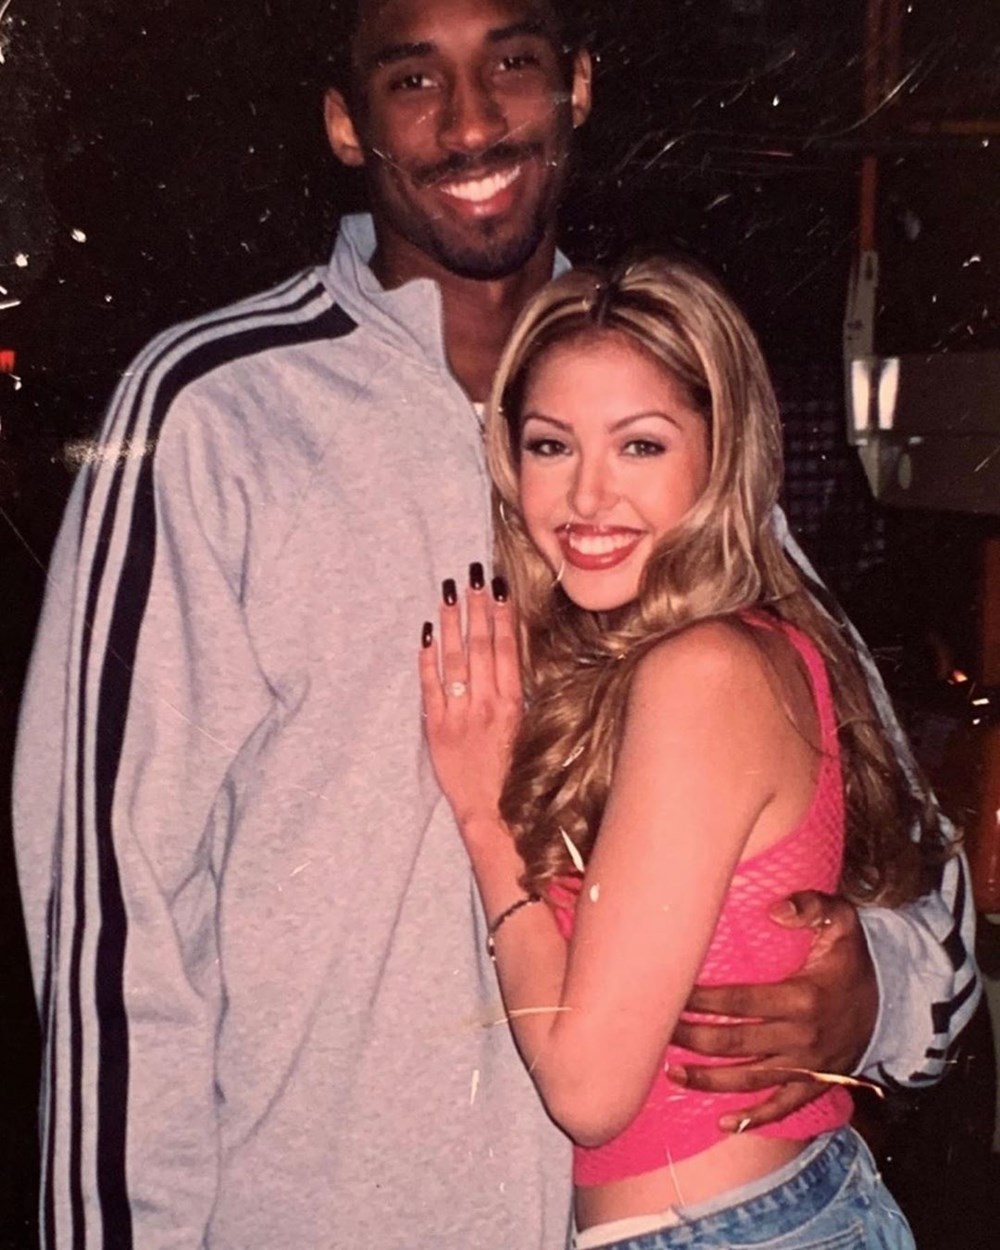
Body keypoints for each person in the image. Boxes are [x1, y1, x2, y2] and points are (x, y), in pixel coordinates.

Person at [11, 1, 976, 1247]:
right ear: (346, 123)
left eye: (511, 63)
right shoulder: (217, 415)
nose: (470, 122)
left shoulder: (659, 416)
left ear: (576, 87)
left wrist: (877, 992)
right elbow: (110, 916)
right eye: (415, 79)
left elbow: (902, 826)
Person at [419, 256, 930, 1247]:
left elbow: (588, 1090)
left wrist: (485, 819)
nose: (586, 494)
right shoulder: (720, 646)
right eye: (551, 445)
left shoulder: (702, 671)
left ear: (721, 456)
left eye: (641, 444)